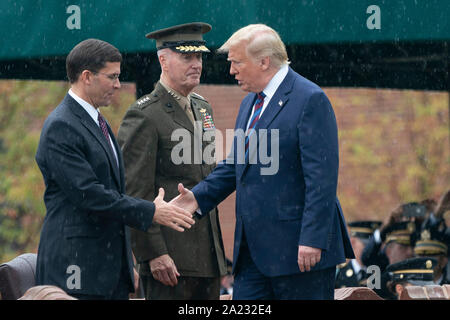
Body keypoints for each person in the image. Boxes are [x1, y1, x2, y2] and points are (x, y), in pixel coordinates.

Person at [172, 24, 355, 299]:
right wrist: (195, 199)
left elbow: (322, 179)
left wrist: (312, 240)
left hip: (300, 253)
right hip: (253, 256)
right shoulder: (250, 103)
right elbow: (236, 165)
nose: (231, 70)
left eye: (236, 62)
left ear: (264, 62)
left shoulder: (310, 99)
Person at [34, 39, 195, 300]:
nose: (118, 85)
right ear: (86, 76)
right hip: (76, 268)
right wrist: (152, 211)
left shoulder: (97, 120)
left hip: (105, 268)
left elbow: (111, 191)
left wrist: (123, 262)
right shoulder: (61, 126)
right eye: (112, 77)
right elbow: (89, 195)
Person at [117, 23, 227, 300]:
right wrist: (153, 253)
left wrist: (216, 254)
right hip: (170, 259)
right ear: (163, 60)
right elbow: (133, 192)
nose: (196, 64)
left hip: (207, 256)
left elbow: (206, 177)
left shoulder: (202, 108)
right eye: (187, 57)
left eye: (199, 57)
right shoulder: (144, 115)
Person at [335, 220, 381, 288]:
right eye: (367, 246)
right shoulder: (338, 275)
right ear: (352, 242)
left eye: (374, 247)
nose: (372, 250)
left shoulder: (381, 272)